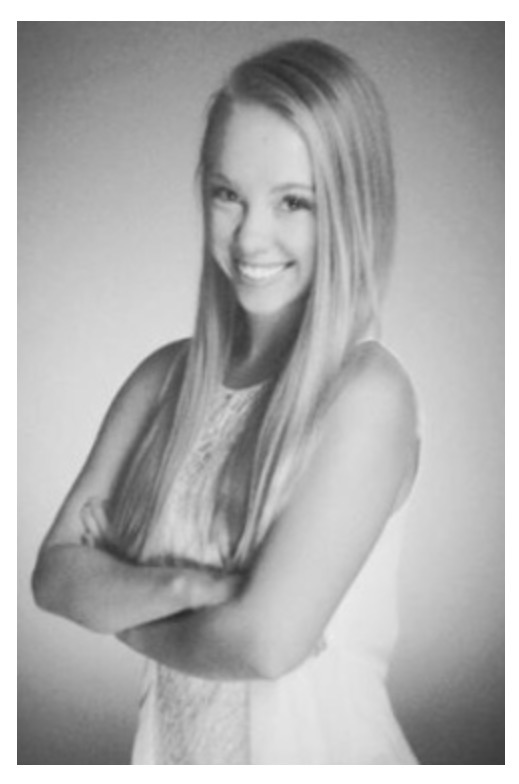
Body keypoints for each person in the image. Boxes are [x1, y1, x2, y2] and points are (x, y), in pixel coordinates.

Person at [32, 38, 420, 764]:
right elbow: (55, 576)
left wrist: (124, 608)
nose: (250, 236)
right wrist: (192, 586)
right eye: (227, 194)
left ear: (352, 207)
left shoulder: (366, 394)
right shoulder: (162, 381)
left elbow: (265, 645)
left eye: (294, 202)